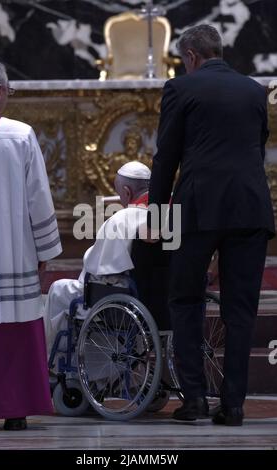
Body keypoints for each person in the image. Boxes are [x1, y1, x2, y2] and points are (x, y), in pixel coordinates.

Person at [147, 25, 275, 425]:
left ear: (190, 56)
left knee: (185, 300)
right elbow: (257, 146)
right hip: (250, 210)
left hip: (198, 209)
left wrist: (155, 217)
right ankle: (233, 405)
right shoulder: (255, 91)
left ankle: (195, 400)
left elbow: (166, 156)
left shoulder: (180, 90)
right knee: (240, 309)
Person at [0, 61, 62, 430]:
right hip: (12, 254)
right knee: (14, 326)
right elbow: (38, 200)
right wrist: (45, 249)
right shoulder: (19, 134)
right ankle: (15, 411)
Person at [44, 161, 150, 355]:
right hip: (155, 298)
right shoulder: (166, 217)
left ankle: (56, 362)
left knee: (58, 290)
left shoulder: (120, 219)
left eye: (120, 195)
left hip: (118, 300)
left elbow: (97, 268)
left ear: (126, 192)